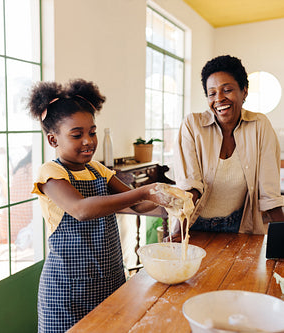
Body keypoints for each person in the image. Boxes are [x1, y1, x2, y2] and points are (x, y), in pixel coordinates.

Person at [28, 79, 180, 332]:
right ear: (53, 140)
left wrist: (167, 200)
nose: (88, 141)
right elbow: (82, 209)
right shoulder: (50, 174)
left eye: (92, 132)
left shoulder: (97, 169)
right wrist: (142, 192)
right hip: (68, 290)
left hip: (108, 281)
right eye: (77, 135)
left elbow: (137, 205)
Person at [171, 55, 284, 240]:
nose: (219, 99)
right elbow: (189, 187)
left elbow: (269, 191)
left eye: (227, 90)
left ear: (244, 92)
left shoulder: (259, 125)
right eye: (212, 93)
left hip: (238, 226)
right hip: (194, 225)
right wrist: (180, 231)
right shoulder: (192, 125)